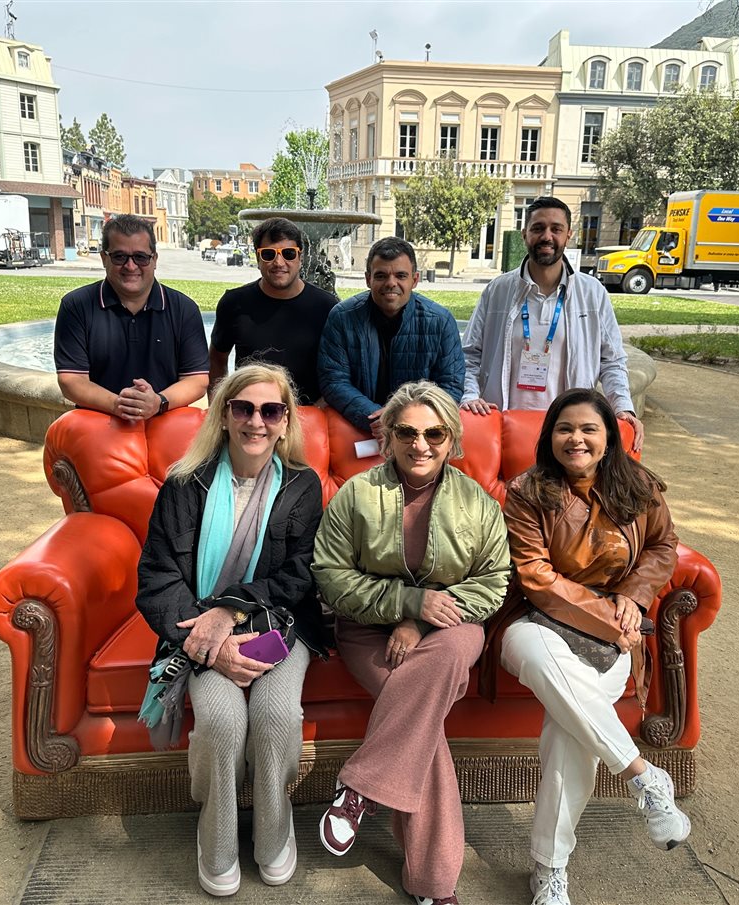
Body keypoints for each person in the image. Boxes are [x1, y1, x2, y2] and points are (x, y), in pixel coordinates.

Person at [480, 388, 689, 905]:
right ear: (549, 437)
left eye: (588, 429)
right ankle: (642, 775)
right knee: (530, 645)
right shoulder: (529, 491)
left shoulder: (637, 485)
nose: (576, 438)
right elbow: (535, 576)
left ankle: (549, 868)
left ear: (608, 438)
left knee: (570, 730)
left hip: (617, 627)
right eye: (565, 428)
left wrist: (635, 599)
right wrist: (609, 617)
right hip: (535, 619)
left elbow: (664, 545)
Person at [311, 380, 510, 905]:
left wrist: (422, 622)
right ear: (389, 438)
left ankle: (359, 786)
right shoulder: (358, 495)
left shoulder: (476, 502)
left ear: (452, 440)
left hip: (453, 630)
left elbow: (492, 582)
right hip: (366, 631)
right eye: (407, 433)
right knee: (425, 732)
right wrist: (406, 603)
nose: (420, 445)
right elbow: (330, 576)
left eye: (434, 434)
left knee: (442, 660)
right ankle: (433, 885)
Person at [134, 363, 325, 897]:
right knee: (218, 719)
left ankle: (273, 832)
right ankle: (216, 841)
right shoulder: (183, 484)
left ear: (285, 421)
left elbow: (299, 575)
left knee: (276, 713)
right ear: (223, 416)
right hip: (196, 628)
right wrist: (211, 642)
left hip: (279, 626)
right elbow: (157, 577)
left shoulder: (303, 486)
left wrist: (230, 613)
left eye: (270, 410)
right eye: (243, 408)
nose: (256, 422)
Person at [460, 197, 645, 452]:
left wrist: (623, 407)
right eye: (538, 228)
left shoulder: (592, 293)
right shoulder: (498, 290)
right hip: (505, 426)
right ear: (525, 234)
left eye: (556, 229)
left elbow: (611, 360)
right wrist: (470, 396)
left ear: (568, 234)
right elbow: (469, 355)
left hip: (568, 433)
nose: (547, 236)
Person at [54, 214, 208, 421]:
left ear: (154, 259)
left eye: (140, 257)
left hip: (166, 423)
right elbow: (71, 381)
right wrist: (118, 404)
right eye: (119, 257)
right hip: (100, 425)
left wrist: (158, 402)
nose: (130, 266)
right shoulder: (77, 306)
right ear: (104, 258)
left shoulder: (184, 309)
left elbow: (197, 380)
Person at [317, 238, 464, 438]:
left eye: (400, 275)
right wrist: (375, 417)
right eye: (381, 275)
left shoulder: (440, 322)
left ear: (415, 280)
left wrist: (404, 419)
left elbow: (450, 386)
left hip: (420, 433)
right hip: (359, 428)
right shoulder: (343, 317)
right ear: (368, 279)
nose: (391, 283)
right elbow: (333, 380)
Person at [208, 217, 337, 405]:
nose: (279, 262)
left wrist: (317, 413)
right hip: (251, 419)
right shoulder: (234, 303)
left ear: (300, 258)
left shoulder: (327, 306)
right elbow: (217, 360)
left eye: (289, 254)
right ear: (258, 258)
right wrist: (218, 409)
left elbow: (338, 374)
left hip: (308, 416)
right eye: (268, 254)